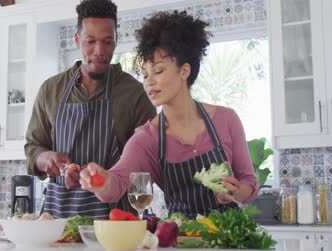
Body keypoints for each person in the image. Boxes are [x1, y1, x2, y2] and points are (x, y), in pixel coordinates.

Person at [79, 10, 258, 219]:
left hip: (230, 242)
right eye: (145, 74)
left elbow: (249, 184)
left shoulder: (227, 120)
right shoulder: (147, 138)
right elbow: (116, 183)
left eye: (158, 71)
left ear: (184, 71)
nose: (149, 82)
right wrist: (100, 181)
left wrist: (238, 191)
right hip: (180, 244)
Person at [24, 0, 156, 219]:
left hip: (115, 221)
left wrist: (104, 178)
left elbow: (148, 164)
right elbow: (32, 148)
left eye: (107, 42)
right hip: (57, 220)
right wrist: (47, 159)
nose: (99, 51)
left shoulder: (135, 94)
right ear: (77, 39)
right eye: (90, 41)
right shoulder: (51, 89)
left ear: (116, 41)